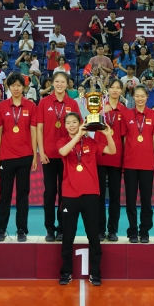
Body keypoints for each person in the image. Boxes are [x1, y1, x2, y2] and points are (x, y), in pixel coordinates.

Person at [57, 111, 115, 286]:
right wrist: (79, 135)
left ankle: (95, 273)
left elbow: (112, 151)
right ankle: (66, 272)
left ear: (80, 123)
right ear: (65, 126)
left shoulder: (91, 142)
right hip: (70, 195)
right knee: (68, 236)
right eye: (68, 123)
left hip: (90, 195)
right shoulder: (62, 141)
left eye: (75, 122)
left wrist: (108, 135)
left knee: (93, 236)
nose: (71, 125)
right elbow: (63, 151)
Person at [0, 73, 38, 242]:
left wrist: (34, 155)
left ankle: (21, 229)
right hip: (6, 156)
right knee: (5, 195)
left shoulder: (31, 106)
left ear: (24, 87)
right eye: (13, 86)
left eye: (19, 85)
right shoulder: (2, 106)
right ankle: (1, 229)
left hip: (25, 156)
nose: (16, 88)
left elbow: (33, 132)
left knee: (22, 195)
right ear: (9, 87)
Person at [37, 72, 80, 242]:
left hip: (67, 156)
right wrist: (41, 152)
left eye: (63, 82)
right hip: (48, 156)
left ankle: (62, 228)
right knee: (50, 193)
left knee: (65, 194)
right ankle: (49, 228)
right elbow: (39, 129)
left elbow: (78, 128)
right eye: (57, 81)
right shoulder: (44, 102)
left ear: (67, 84)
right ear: (52, 83)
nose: (60, 84)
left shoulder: (73, 103)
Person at [122, 85, 154, 244]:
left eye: (142, 96)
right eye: (137, 96)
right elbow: (124, 139)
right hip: (130, 163)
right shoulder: (127, 114)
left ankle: (144, 231)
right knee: (130, 200)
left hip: (147, 163)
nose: (139, 99)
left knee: (146, 200)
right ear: (133, 97)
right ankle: (132, 231)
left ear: (147, 97)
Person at [96, 80, 127, 242]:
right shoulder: (99, 108)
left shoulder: (124, 111)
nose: (115, 90)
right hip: (100, 156)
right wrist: (102, 111)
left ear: (121, 91)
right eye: (112, 87)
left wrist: (125, 157)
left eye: (118, 88)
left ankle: (113, 230)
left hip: (116, 158)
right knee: (99, 196)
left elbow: (124, 138)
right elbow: (88, 125)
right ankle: (100, 230)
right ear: (107, 90)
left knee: (115, 196)